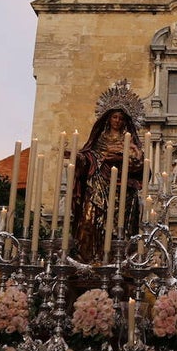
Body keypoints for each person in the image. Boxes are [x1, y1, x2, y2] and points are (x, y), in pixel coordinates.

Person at [70, 91, 145, 262]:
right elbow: (90, 156)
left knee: (116, 227)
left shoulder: (130, 142)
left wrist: (120, 157)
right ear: (108, 119)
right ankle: (88, 257)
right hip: (96, 184)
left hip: (121, 190)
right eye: (114, 117)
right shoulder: (99, 139)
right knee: (89, 219)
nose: (117, 121)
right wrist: (81, 158)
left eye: (120, 118)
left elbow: (139, 163)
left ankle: (114, 259)